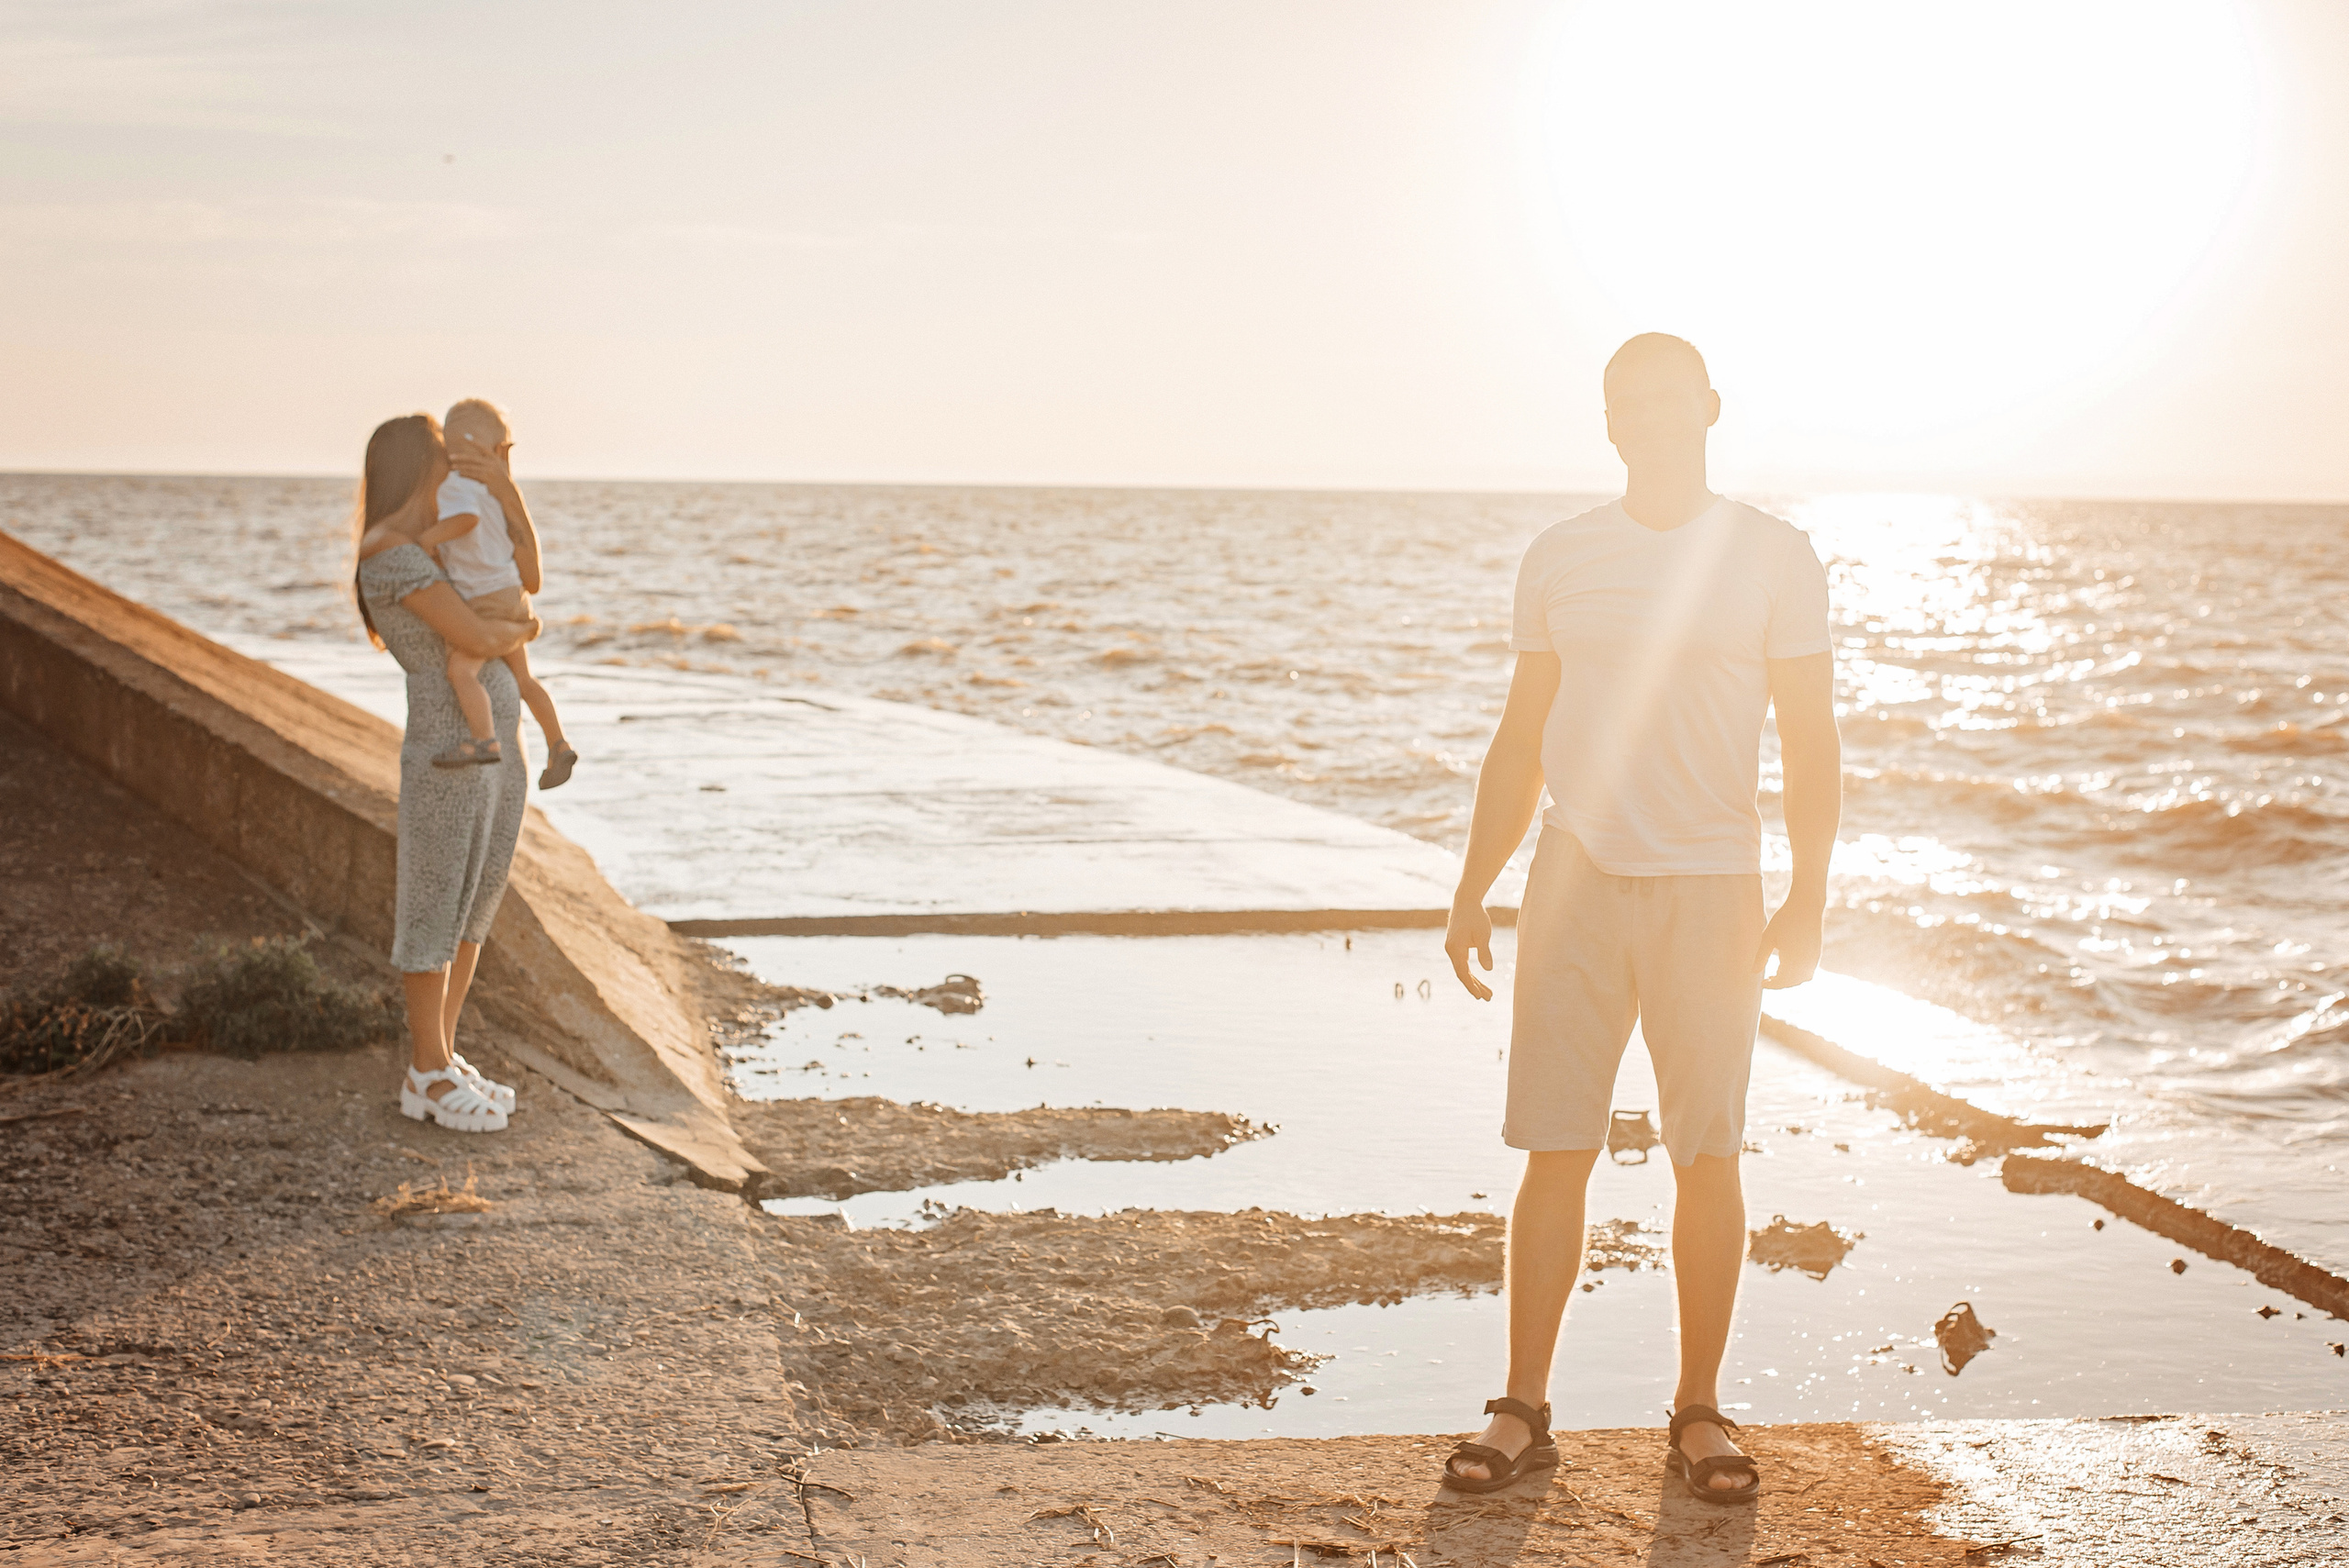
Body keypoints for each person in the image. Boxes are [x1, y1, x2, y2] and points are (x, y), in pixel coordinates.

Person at [1439, 335, 1841, 1502]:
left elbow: (1812, 742)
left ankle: (1699, 1411)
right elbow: (1522, 740)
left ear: (1710, 408)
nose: (1654, 418)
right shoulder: (1561, 556)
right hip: (1572, 877)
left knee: (1706, 1153)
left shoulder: (1773, 554)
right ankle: (1523, 1411)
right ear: (1607, 422)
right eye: (1630, 403)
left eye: (1673, 398)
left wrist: (1808, 895)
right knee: (1551, 1149)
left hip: (1713, 886)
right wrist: (1473, 885)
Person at [352, 412, 539, 1133]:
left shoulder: (441, 543)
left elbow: (519, 583)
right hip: (445, 752)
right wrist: (519, 630)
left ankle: (443, 1056)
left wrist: (508, 501)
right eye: (445, 467)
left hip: (493, 750)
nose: (455, 479)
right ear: (418, 471)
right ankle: (424, 1070)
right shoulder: (390, 552)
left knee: (471, 909)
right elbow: (479, 634)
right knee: (433, 904)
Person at [425, 397, 579, 790]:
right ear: (495, 451)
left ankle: (484, 740)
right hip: (511, 593)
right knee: (525, 679)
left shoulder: (455, 488)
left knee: (461, 670)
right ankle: (558, 742)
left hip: (485, 599)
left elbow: (465, 520)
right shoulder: (495, 492)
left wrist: (425, 539)